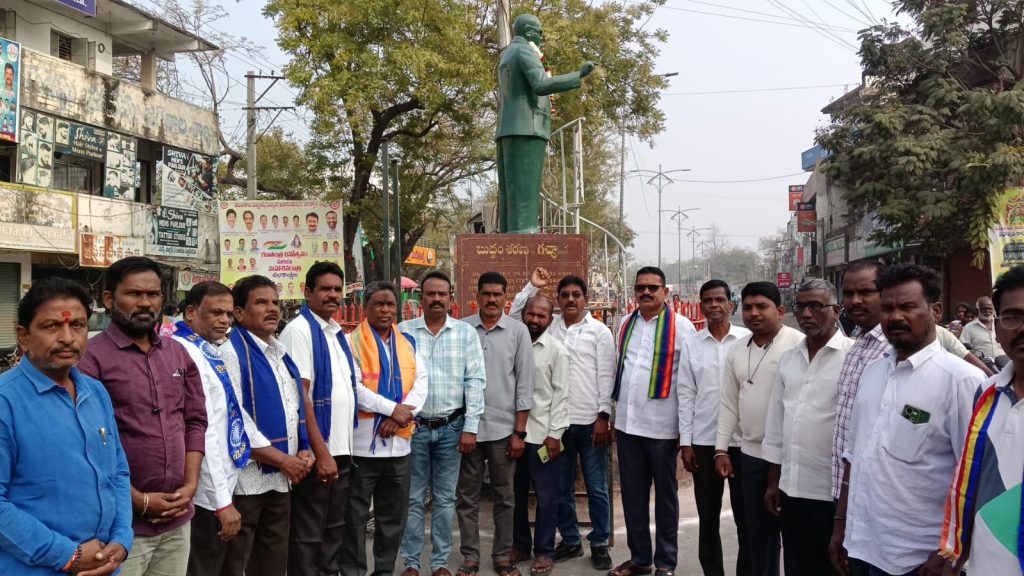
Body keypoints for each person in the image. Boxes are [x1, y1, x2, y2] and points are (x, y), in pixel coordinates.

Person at [830, 264, 985, 576]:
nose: (895, 317)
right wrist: (841, 525)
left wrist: (953, 552)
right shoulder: (873, 372)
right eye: (887, 308)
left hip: (920, 559)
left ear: (935, 311)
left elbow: (976, 477)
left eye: (908, 307)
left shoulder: (962, 381)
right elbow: (853, 456)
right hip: (863, 546)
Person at [78, 257, 208, 576]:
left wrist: (190, 485)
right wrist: (138, 500)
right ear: (110, 299)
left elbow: (195, 421)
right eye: (134, 294)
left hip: (178, 519)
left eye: (153, 294)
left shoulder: (178, 353)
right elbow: (85, 445)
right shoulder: (89, 359)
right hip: (120, 528)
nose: (146, 303)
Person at [0, 278, 133, 575]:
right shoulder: (5, 401)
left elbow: (118, 472)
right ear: (23, 336)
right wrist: (68, 555)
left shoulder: (96, 392)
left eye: (77, 325)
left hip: (103, 564)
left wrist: (122, 539)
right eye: (51, 327)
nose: (67, 338)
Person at [509, 268, 616, 570]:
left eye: (576, 295)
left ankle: (599, 543)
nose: (571, 299)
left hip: (589, 421)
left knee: (596, 487)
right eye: (565, 295)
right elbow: (515, 315)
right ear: (558, 300)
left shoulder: (599, 332)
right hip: (556, 426)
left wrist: (604, 415)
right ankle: (570, 540)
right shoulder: (550, 325)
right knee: (560, 489)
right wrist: (532, 286)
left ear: (586, 299)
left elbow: (606, 376)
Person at [218, 275, 314, 576]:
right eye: (261, 302)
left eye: (275, 302)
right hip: (246, 480)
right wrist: (282, 459)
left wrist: (304, 448)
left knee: (273, 562)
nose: (272, 308)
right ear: (239, 313)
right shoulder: (230, 352)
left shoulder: (278, 351)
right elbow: (235, 418)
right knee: (238, 563)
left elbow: (294, 406)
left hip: (281, 478)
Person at [398, 271, 487, 576]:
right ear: (420, 298)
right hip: (414, 429)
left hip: (452, 429)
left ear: (451, 298)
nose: (436, 299)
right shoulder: (403, 332)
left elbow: (475, 381)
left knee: (446, 499)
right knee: (412, 498)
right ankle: (411, 562)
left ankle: (439, 562)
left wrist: (470, 427)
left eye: (442, 294)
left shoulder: (465, 333)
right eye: (430, 294)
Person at [609, 266, 696, 576]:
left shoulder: (682, 327)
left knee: (666, 499)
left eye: (652, 287)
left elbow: (688, 383)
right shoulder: (625, 323)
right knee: (633, 497)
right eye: (640, 287)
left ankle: (666, 563)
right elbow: (620, 370)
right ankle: (640, 559)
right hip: (628, 426)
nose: (645, 292)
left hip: (663, 427)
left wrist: (685, 432)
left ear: (665, 292)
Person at [761, 279, 852, 576]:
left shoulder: (853, 358)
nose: (806, 314)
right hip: (792, 489)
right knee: (798, 566)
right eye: (800, 307)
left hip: (833, 495)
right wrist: (774, 481)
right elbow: (777, 422)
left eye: (816, 306)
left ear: (836, 310)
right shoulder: (789, 358)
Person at [715, 282, 804, 576]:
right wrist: (721, 449)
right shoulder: (736, 350)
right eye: (748, 307)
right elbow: (729, 403)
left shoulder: (799, 345)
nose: (754, 313)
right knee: (757, 534)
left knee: (796, 535)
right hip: (751, 455)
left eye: (762, 307)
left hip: (792, 458)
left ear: (779, 311)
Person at [940, 265, 1024, 574]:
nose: (1022, 328)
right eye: (1013, 317)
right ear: (996, 328)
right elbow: (975, 479)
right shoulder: (987, 392)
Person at [340, 281, 428, 576]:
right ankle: (352, 572)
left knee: (392, 519)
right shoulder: (350, 342)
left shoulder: (408, 343)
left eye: (390, 304)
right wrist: (392, 409)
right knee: (354, 518)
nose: (385, 310)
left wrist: (400, 415)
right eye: (378, 304)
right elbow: (354, 388)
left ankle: (384, 571)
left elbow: (421, 384)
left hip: (399, 447)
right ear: (366, 307)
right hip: (362, 447)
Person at [278, 263, 359, 576]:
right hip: (316, 453)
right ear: (308, 292)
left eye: (337, 289)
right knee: (309, 534)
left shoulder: (336, 333)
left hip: (341, 450)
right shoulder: (299, 331)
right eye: (325, 289)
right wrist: (321, 452)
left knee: (333, 529)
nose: (333, 295)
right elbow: (301, 396)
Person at [174, 282, 254, 576]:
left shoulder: (206, 347)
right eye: (216, 313)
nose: (224, 320)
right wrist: (221, 502)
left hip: (219, 486)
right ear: (191, 312)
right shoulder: (185, 350)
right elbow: (202, 430)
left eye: (228, 314)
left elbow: (228, 415)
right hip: (205, 493)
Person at [458, 272, 535, 576]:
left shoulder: (518, 332)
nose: (492, 299)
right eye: (486, 294)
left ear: (505, 297)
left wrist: (519, 433)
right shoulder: (462, 329)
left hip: (504, 431)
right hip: (469, 430)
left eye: (497, 294)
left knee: (505, 497)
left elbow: (525, 384)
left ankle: (502, 555)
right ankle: (470, 557)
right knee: (467, 497)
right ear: (477, 296)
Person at [495, 14, 594, 234]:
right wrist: (578, 75)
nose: (541, 37)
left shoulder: (508, 53)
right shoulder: (524, 50)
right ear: (528, 31)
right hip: (527, 127)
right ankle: (524, 243)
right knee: (525, 202)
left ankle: (510, 243)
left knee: (512, 202)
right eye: (539, 32)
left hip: (510, 127)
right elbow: (541, 84)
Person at [678, 279, 751, 576]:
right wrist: (686, 442)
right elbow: (686, 394)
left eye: (719, 299)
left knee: (746, 518)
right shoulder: (691, 344)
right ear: (701, 306)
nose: (713, 305)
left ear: (730, 304)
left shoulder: (747, 339)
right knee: (708, 517)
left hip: (744, 441)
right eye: (707, 300)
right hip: (705, 440)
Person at [511, 295, 569, 574]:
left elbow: (561, 395)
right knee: (515, 495)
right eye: (530, 314)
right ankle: (520, 545)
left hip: (542, 436)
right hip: (513, 434)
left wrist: (555, 434)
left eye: (541, 316)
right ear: (523, 314)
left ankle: (544, 551)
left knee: (547, 498)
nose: (534, 320)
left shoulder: (557, 351)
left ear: (550, 319)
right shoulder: (513, 343)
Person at [830, 260, 889, 508]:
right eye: (848, 293)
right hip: (842, 490)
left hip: (875, 497)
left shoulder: (894, 349)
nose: (855, 301)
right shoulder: (858, 345)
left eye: (866, 292)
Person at [959, 296, 1007, 362]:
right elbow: (962, 349)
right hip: (981, 364)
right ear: (978, 310)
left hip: (1004, 363)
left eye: (989, 308)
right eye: (984, 309)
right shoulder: (969, 327)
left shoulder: (1002, 324)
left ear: (994, 309)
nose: (987, 311)